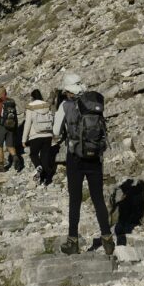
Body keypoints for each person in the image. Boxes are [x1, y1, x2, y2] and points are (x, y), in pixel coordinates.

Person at [54, 74, 114, 256]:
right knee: (98, 198)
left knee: (75, 199)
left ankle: (73, 241)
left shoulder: (65, 106)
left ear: (67, 90)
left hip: (75, 157)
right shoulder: (93, 103)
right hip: (95, 157)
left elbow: (56, 131)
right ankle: (107, 240)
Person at [22, 89, 55, 185]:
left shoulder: (30, 107)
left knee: (34, 154)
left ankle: (38, 166)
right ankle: (48, 177)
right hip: (48, 134)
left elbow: (27, 123)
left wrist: (24, 139)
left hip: (35, 135)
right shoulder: (47, 105)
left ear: (32, 97)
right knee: (45, 155)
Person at [0, 87, 23, 173]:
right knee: (10, 146)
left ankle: (1, 166)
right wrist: (15, 128)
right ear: (6, 93)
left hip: (0, 126)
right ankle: (15, 157)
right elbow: (15, 115)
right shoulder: (11, 101)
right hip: (11, 126)